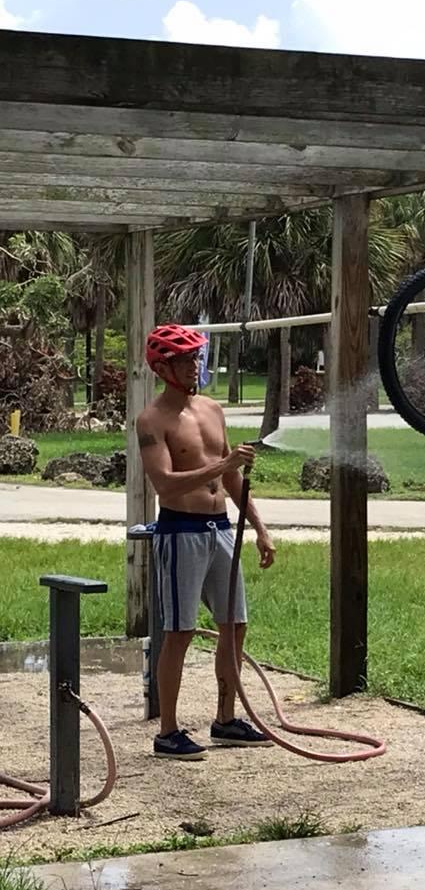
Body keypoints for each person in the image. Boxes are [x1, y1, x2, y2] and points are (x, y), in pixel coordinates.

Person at [136, 324, 276, 761]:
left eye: (196, 357)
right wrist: (224, 465)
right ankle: (168, 731)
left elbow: (231, 476)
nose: (194, 366)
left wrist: (258, 526)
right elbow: (165, 485)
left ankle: (226, 719)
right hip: (181, 531)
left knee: (235, 626)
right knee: (178, 631)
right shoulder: (152, 420)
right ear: (163, 368)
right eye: (185, 359)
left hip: (220, 529)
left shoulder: (213, 409)